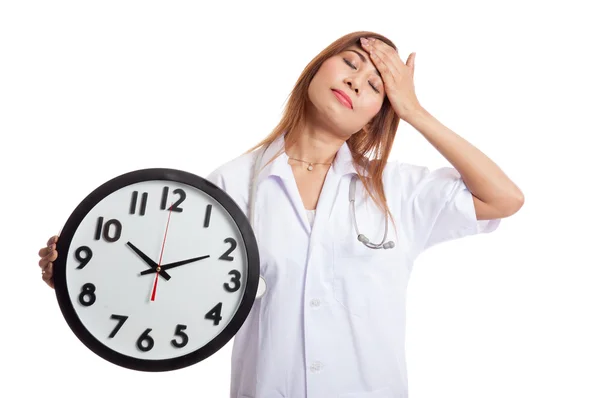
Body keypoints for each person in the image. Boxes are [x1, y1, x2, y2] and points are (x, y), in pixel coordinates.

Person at [38, 31, 524, 398]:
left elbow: (504, 198)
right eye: (350, 63)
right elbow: (171, 290)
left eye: (376, 85)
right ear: (317, 68)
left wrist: (415, 111)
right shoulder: (230, 186)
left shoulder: (398, 190)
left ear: (380, 114)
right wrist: (86, 268)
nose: (356, 80)